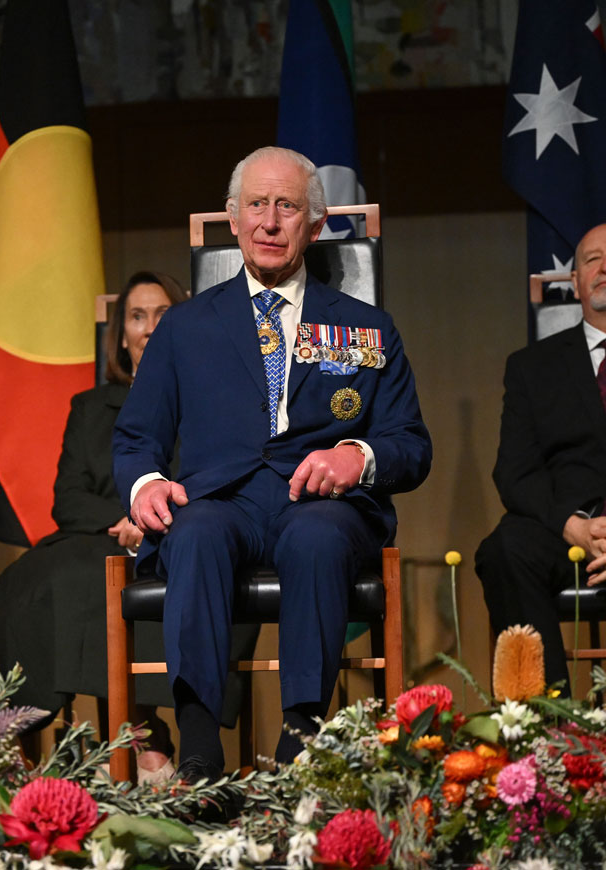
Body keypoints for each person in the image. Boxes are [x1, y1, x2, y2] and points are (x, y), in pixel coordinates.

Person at [113, 145, 431, 781]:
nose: (269, 220)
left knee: (316, 537)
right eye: (256, 204)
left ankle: (301, 742)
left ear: (313, 226)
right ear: (233, 220)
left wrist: (357, 457)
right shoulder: (184, 327)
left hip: (321, 506)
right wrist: (146, 485)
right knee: (194, 530)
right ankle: (199, 748)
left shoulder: (367, 328)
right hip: (220, 501)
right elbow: (136, 436)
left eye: (286, 206)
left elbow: (411, 444)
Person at [0, 270, 187, 777]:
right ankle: (20, 730)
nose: (148, 329)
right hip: (101, 534)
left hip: (177, 535)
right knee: (28, 576)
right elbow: (68, 499)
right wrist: (123, 519)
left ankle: (139, 731)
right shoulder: (89, 407)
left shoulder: (201, 399)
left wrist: (151, 520)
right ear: (121, 336)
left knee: (101, 579)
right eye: (137, 317)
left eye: (162, 316)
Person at [476, 222, 606, 688]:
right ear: (574, 282)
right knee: (505, 551)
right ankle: (550, 731)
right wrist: (570, 524)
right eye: (592, 259)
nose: (604, 267)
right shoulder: (532, 366)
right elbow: (514, 471)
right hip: (563, 524)